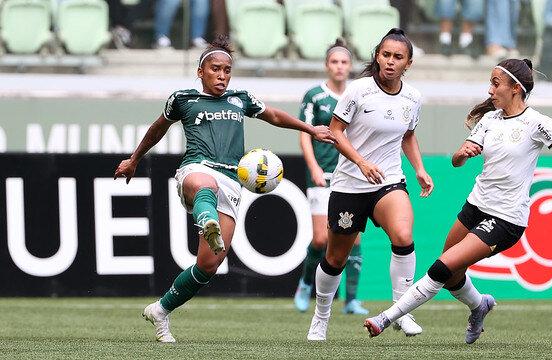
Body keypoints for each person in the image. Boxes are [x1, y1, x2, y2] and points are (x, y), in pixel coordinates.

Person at [364, 58, 552, 343]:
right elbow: (458, 161)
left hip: (505, 219)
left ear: (515, 88)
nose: (490, 90)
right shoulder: (489, 120)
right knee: (452, 276)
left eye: (496, 84)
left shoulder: (537, 123)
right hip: (474, 206)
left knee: (440, 268)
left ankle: (385, 318)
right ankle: (479, 305)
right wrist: (462, 153)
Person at [114, 35, 336, 343]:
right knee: (205, 184)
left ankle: (161, 310)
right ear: (201, 71)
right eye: (215, 69)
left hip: (232, 182)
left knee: (208, 265)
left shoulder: (240, 98)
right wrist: (134, 159)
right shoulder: (182, 99)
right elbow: (157, 129)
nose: (222, 75)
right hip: (195, 171)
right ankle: (207, 220)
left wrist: (310, 129)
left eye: (227, 70)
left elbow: (272, 115)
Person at [306, 28, 435, 341]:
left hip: (388, 179)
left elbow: (407, 135)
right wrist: (361, 163)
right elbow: (335, 131)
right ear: (377, 56)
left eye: (397, 57)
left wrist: (419, 168)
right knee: (336, 258)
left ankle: (401, 310)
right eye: (385, 55)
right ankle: (321, 316)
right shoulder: (359, 90)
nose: (390, 62)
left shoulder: (413, 97)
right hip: (350, 183)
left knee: (404, 235)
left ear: (409, 63)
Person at [293, 39, 369, 316]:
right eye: (334, 62)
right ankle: (304, 285)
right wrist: (312, 165)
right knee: (321, 240)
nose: (339, 67)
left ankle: (350, 300)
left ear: (350, 66)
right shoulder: (315, 95)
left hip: (349, 176)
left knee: (355, 240)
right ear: (327, 66)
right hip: (322, 175)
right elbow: (305, 134)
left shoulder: (359, 94)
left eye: (344, 62)